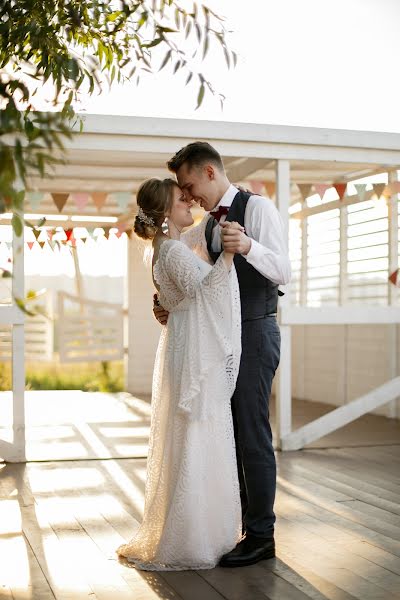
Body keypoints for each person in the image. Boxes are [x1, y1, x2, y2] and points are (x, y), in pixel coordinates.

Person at [154, 142, 291, 568]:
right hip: (222, 338)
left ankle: (262, 535)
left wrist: (249, 247)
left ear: (210, 173)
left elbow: (286, 271)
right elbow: (192, 277)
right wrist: (164, 302)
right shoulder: (204, 227)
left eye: (189, 184)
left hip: (255, 330)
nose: (188, 195)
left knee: (251, 431)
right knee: (230, 430)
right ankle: (243, 526)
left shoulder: (259, 209)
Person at [117, 177, 244, 570]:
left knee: (190, 432)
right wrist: (228, 255)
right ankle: (193, 538)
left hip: (181, 344)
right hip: (191, 351)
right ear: (165, 211)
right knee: (197, 431)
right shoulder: (171, 249)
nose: (188, 202)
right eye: (180, 199)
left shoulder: (160, 250)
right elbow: (206, 292)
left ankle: (197, 528)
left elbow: (178, 298)